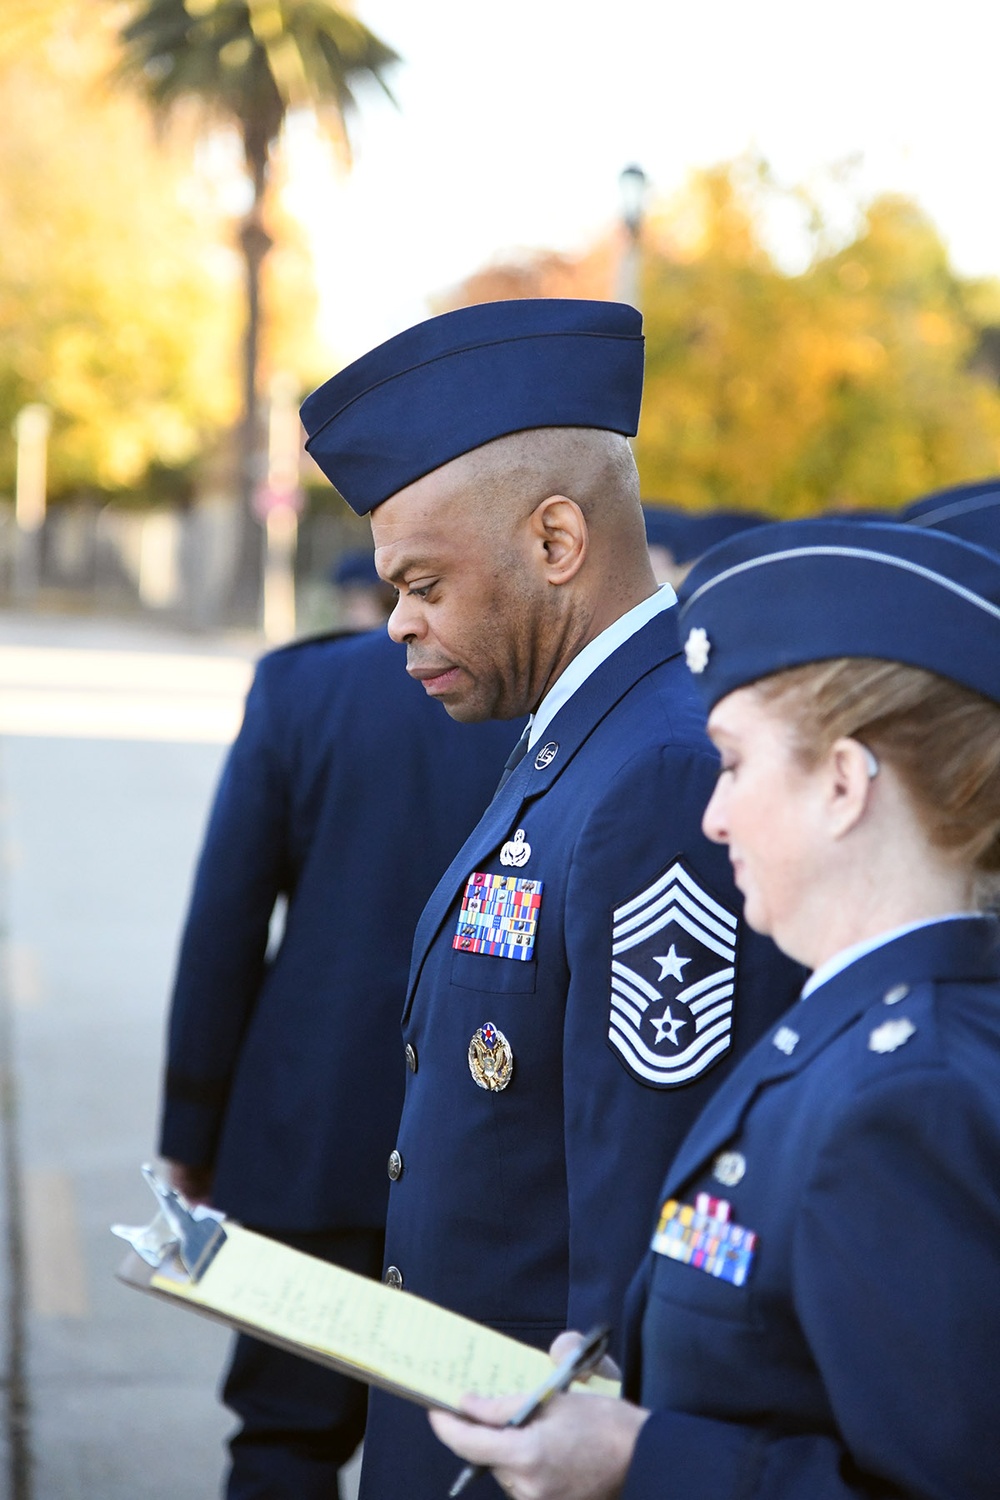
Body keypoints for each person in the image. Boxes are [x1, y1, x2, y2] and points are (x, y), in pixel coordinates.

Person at [299, 298, 804, 1498]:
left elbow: (643, 1229)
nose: (398, 623)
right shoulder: (572, 743)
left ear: (557, 540)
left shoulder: (660, 770)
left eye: (422, 582)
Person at [429, 516, 1000, 1500]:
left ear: (839, 783)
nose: (712, 812)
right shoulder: (864, 1026)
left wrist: (629, 1460)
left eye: (733, 763)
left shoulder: (905, 1101)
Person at [159, 625, 522, 1500]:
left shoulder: (304, 687)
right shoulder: (548, 688)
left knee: (285, 1432)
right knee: (468, 1451)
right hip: (490, 1149)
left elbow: (226, 924)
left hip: (308, 1136)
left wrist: (194, 1128)